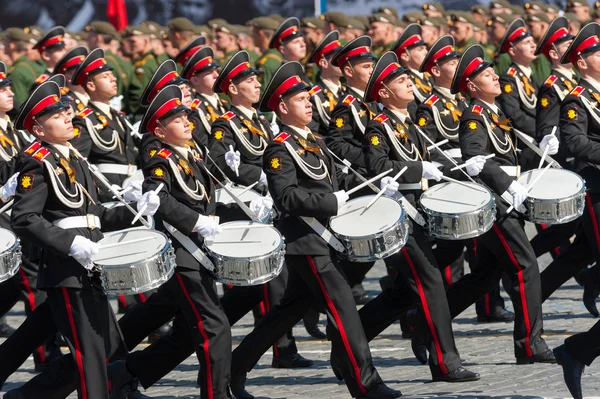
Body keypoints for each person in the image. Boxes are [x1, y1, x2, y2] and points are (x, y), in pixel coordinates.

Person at [229, 60, 402, 399]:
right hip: (305, 241)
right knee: (343, 307)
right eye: (300, 100)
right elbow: (287, 196)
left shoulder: (316, 141)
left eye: (309, 98)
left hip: (323, 239)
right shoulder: (279, 146)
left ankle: (233, 367)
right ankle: (365, 384)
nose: (309, 103)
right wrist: (330, 203)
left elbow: (339, 180)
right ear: (281, 107)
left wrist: (378, 182)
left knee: (285, 314)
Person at [6, 79, 159, 399]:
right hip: (65, 267)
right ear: (37, 129)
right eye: (57, 115)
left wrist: (135, 212)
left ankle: (29, 397)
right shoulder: (36, 160)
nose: (67, 117)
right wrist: (70, 244)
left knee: (107, 342)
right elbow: (24, 218)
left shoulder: (75, 157)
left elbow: (96, 213)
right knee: (89, 350)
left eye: (66, 111)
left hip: (92, 262)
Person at [357, 50, 480, 383]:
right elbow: (379, 168)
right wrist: (416, 168)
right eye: (400, 81)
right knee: (430, 282)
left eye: (407, 78)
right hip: (400, 217)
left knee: (403, 292)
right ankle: (445, 363)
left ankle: (347, 345)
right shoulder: (378, 127)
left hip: (419, 213)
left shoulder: (407, 119)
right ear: (382, 93)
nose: (409, 83)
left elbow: (432, 157)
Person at [443, 44, 556, 365]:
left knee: (486, 276)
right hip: (494, 205)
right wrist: (508, 187)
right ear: (472, 86)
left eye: (493, 72)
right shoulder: (474, 116)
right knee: (526, 267)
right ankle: (529, 344)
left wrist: (544, 148)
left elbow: (508, 156)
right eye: (486, 75)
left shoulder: (494, 112)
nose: (495, 77)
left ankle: (424, 322)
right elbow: (474, 158)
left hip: (504, 201)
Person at [70, 49, 138, 201]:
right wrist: (106, 189)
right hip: (110, 191)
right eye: (105, 76)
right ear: (91, 86)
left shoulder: (118, 116)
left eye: (112, 75)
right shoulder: (84, 120)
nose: (113, 79)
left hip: (133, 184)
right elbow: (79, 163)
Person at [496, 19, 539, 139]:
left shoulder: (529, 75)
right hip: (527, 138)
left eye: (532, 41)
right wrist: (541, 130)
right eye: (526, 43)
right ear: (512, 50)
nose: (533, 45)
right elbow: (514, 114)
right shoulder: (508, 78)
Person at [307, 30, 343, 136]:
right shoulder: (313, 96)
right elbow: (313, 133)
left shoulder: (346, 92)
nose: (342, 62)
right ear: (324, 63)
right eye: (337, 59)